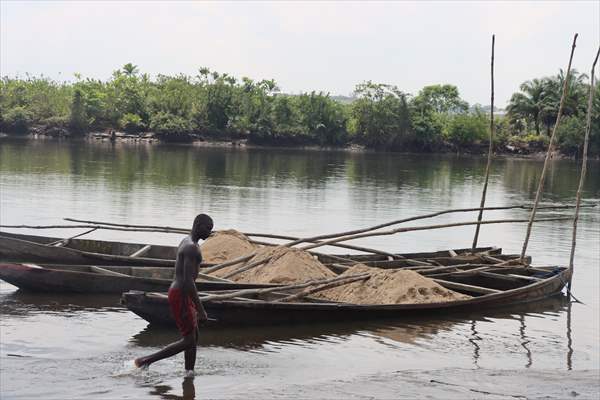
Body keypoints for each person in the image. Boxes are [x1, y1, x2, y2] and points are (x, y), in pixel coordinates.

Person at [134, 214, 213, 376]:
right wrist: (201, 309)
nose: (209, 233)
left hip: (182, 293)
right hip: (181, 293)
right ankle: (145, 361)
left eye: (211, 230)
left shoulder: (187, 241)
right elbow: (188, 281)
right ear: (198, 225)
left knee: (193, 336)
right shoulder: (191, 247)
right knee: (189, 339)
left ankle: (189, 373)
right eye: (207, 228)